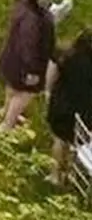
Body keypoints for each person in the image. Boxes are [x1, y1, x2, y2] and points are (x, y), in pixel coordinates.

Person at [0, 0, 56, 132]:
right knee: (25, 94)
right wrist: (32, 72)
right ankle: (7, 125)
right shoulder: (31, 20)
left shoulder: (23, 6)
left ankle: (6, 112)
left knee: (12, 89)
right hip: (23, 66)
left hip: (11, 60)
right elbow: (28, 47)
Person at [46, 31, 92, 186]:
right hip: (87, 113)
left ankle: (55, 175)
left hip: (63, 108)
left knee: (59, 140)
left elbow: (51, 79)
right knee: (78, 142)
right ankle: (71, 173)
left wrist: (48, 93)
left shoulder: (66, 57)